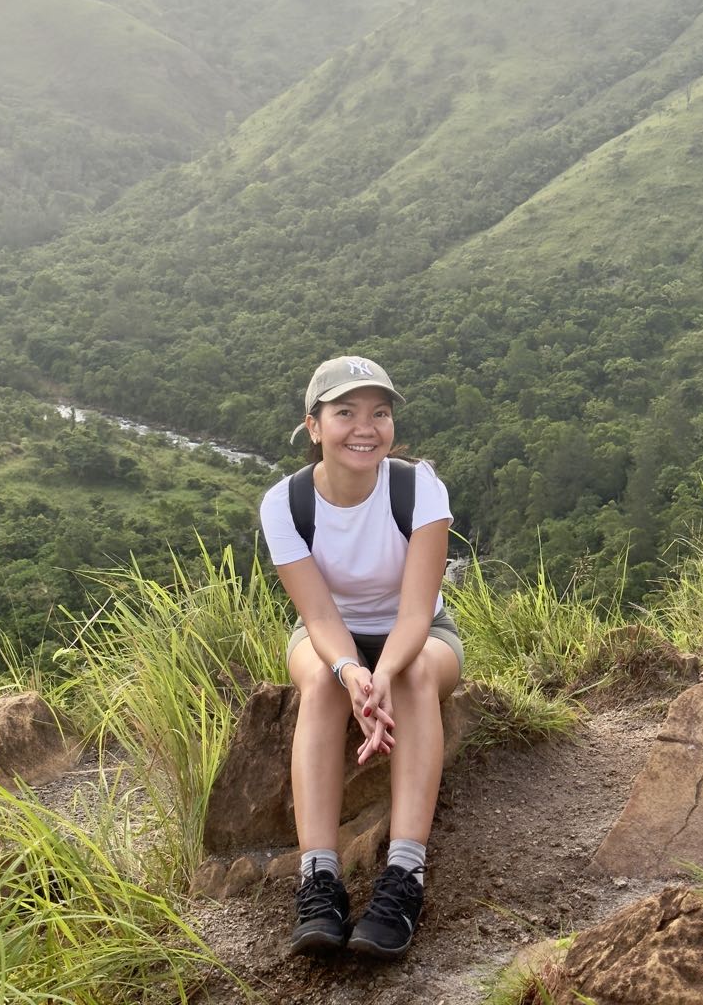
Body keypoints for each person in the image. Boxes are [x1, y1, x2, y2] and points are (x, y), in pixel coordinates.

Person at [259, 354, 463, 959]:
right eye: (345, 413)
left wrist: (384, 676)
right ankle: (319, 881)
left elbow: (416, 613)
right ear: (314, 425)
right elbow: (319, 617)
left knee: (415, 674)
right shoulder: (286, 503)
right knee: (323, 685)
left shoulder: (418, 488)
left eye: (379, 413)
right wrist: (352, 673)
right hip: (327, 637)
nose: (365, 428)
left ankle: (404, 877)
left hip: (420, 635)